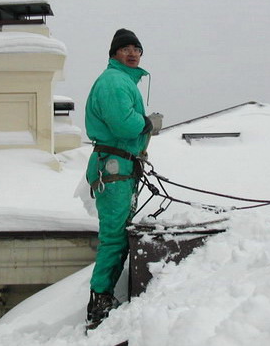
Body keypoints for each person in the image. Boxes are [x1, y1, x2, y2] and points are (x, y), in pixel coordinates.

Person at [84, 28, 161, 328]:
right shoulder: (114, 82)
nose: (132, 53)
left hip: (122, 167)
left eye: (136, 48)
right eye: (125, 48)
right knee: (114, 237)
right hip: (114, 168)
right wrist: (145, 123)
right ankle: (100, 300)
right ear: (114, 54)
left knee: (118, 235)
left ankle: (104, 297)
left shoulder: (122, 82)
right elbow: (124, 125)